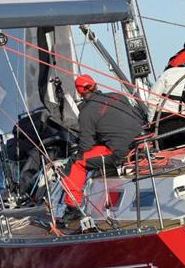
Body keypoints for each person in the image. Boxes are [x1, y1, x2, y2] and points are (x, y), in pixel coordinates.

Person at [61, 74, 145, 221]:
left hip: (120, 151)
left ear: (80, 92)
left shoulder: (86, 113)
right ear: (96, 85)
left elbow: (86, 146)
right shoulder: (118, 96)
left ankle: (72, 207)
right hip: (142, 143)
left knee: (77, 162)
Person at [148, 47, 185, 149]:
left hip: (164, 121)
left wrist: (151, 121)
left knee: (165, 155)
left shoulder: (169, 73)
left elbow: (153, 99)